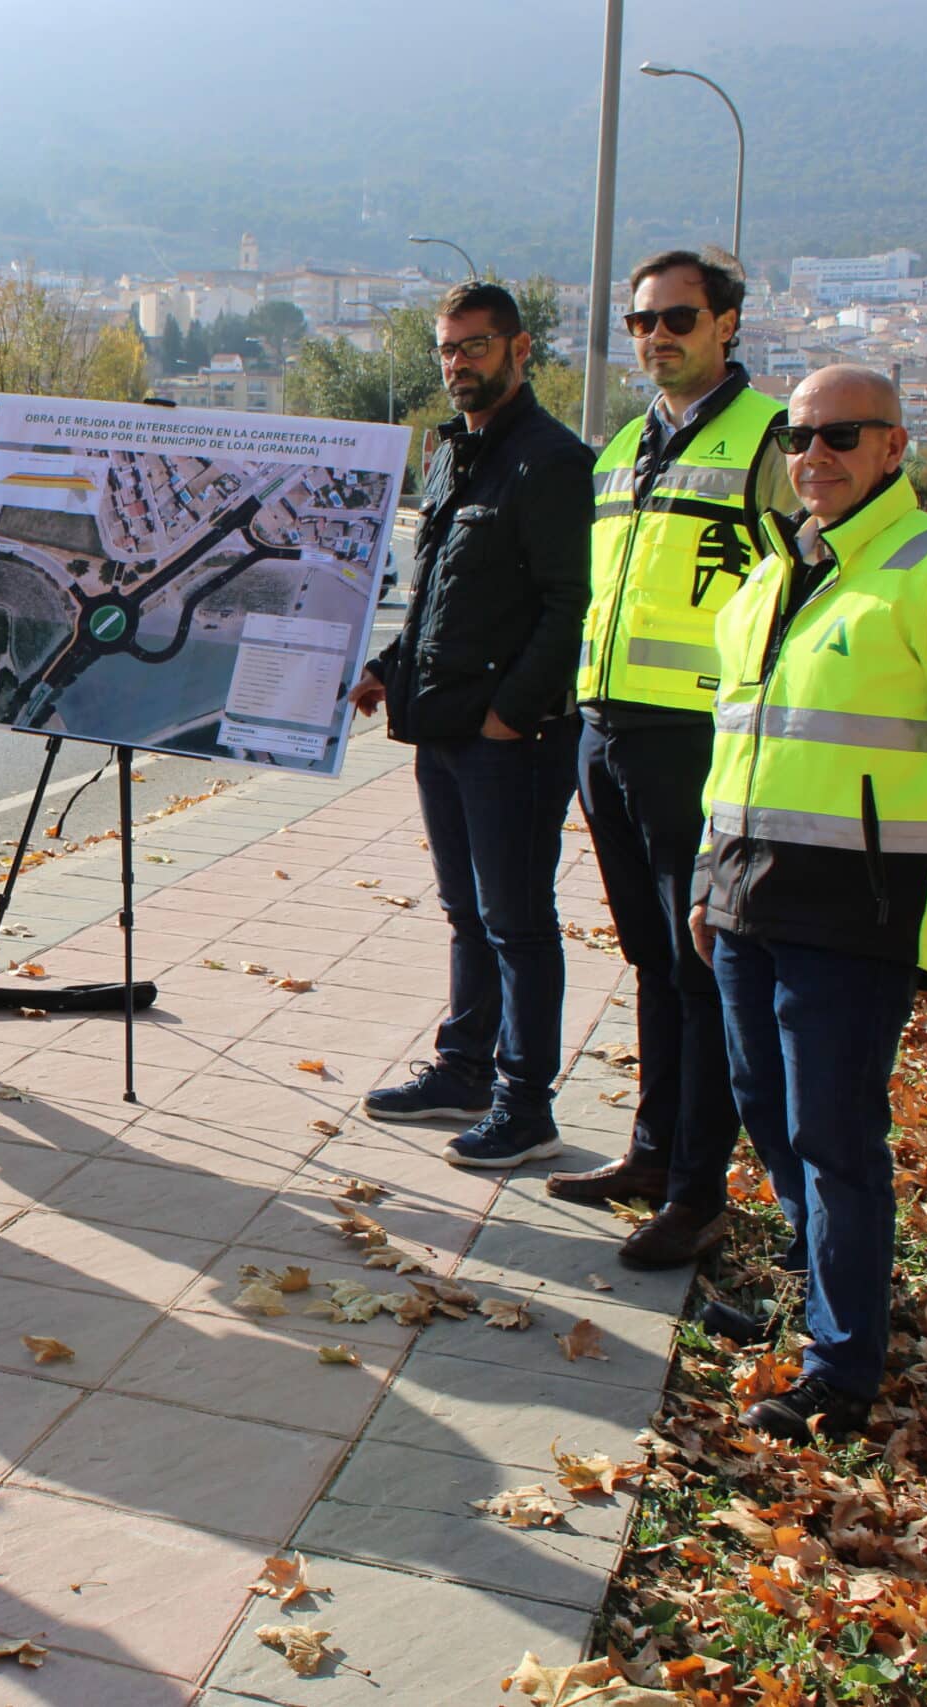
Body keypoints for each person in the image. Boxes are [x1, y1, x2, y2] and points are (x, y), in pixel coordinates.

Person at [691, 365, 927, 1442]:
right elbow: (737, 748)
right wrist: (709, 881)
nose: (815, 456)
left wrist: (915, 863)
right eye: (799, 439)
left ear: (894, 447)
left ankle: (841, 1369)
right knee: (765, 1108)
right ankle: (814, 1299)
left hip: (855, 911)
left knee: (835, 1133)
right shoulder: (771, 579)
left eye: (843, 435)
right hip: (747, 897)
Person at [545, 250, 789, 1269]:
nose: (656, 336)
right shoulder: (622, 448)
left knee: (702, 970)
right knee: (651, 960)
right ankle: (651, 1154)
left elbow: (800, 588)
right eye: (641, 322)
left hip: (700, 740)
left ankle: (699, 1191)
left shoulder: (769, 438)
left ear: (727, 322)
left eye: (677, 317)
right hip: (607, 731)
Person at [349, 281, 591, 1169]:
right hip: (443, 727)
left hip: (510, 741)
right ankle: (463, 1069)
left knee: (518, 920)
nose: (458, 364)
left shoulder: (551, 458)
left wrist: (506, 716)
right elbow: (435, 598)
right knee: (466, 912)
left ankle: (525, 1104)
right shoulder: (453, 456)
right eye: (447, 349)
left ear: (519, 350)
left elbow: (569, 605)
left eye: (475, 347)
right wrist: (388, 668)